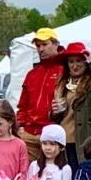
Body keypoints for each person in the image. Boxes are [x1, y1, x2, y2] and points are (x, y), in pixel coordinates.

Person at [49, 42, 91, 173]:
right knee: (70, 177)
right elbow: (56, 116)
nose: (75, 65)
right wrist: (54, 112)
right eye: (71, 62)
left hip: (88, 139)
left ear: (85, 63)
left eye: (79, 61)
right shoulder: (62, 84)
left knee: (89, 174)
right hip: (65, 139)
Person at [16, 28, 63, 161]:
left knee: (52, 174)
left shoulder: (64, 70)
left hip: (52, 134)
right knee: (27, 175)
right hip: (29, 133)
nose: (41, 49)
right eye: (38, 46)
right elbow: (22, 104)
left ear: (55, 44)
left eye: (44, 44)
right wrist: (21, 126)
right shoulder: (32, 73)